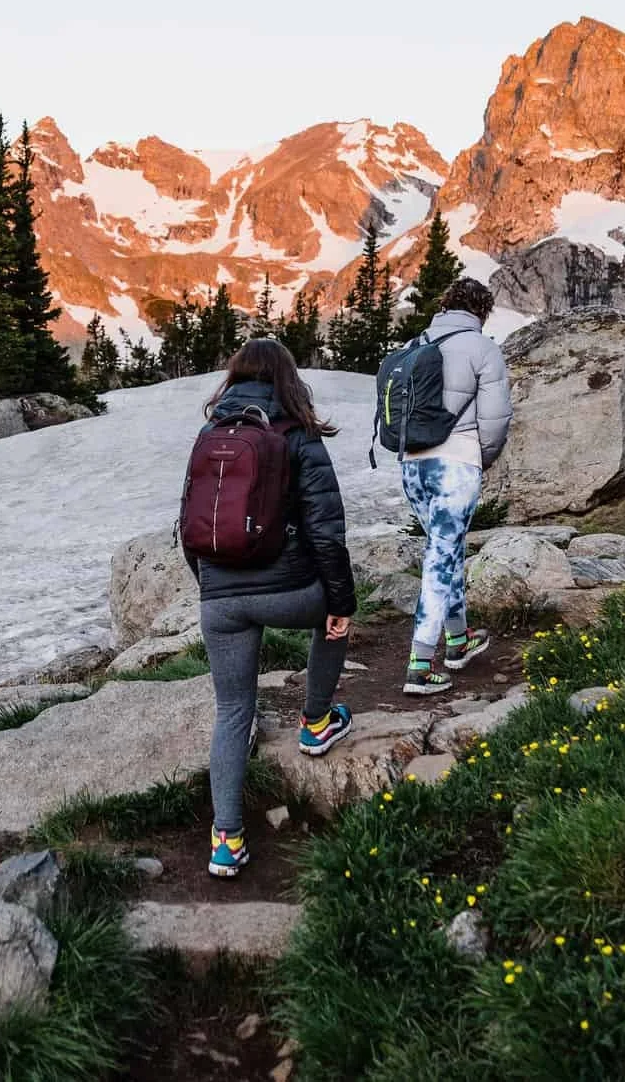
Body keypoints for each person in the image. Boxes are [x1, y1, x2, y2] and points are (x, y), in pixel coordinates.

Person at [183, 338, 357, 878]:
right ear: (287, 379)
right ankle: (317, 720)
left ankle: (227, 841)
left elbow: (189, 531)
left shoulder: (210, 437)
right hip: (288, 591)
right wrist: (342, 601)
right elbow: (327, 534)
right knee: (335, 615)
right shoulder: (297, 434)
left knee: (233, 711)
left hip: (220, 598)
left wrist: (212, 589)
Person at [400, 278, 512, 696]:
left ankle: (459, 641)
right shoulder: (482, 348)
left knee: (444, 551)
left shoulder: (418, 341)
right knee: (442, 555)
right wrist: (480, 458)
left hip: (412, 464)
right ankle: (420, 661)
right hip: (456, 463)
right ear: (481, 311)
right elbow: (496, 419)